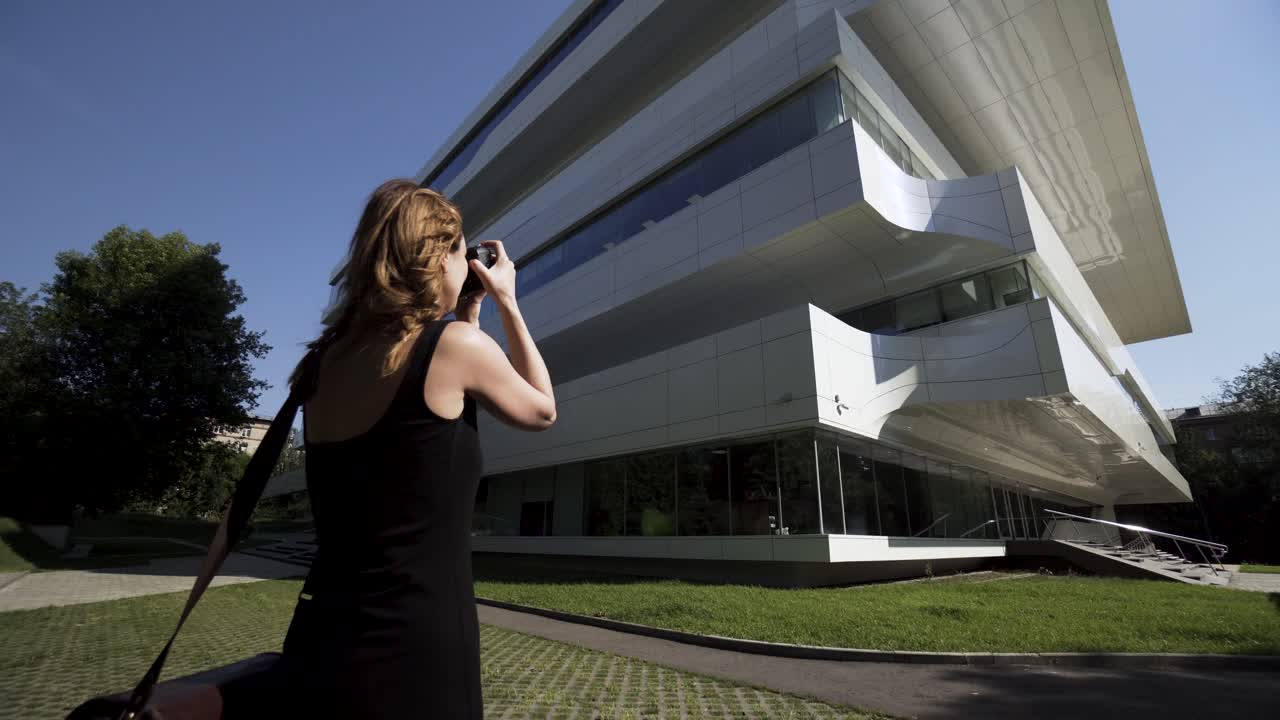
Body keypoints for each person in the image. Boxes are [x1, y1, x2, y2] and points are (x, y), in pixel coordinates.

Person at [275, 178, 556, 718]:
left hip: (324, 637)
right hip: (415, 648)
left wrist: (464, 320)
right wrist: (507, 302)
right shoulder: (454, 349)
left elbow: (407, 449)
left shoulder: (320, 364)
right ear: (442, 257)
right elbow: (542, 410)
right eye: (461, 250)